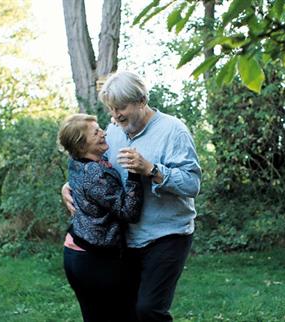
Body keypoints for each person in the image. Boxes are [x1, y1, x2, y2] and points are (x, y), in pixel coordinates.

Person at [62, 71, 202, 321]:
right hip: (127, 240)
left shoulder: (173, 131)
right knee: (125, 311)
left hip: (167, 235)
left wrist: (151, 170)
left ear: (141, 100)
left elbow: (192, 184)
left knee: (148, 310)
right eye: (112, 109)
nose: (115, 116)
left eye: (121, 108)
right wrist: (71, 184)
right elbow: (94, 166)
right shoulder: (115, 131)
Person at [58, 113, 144, 322]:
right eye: (96, 132)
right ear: (81, 145)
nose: (103, 133)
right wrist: (134, 173)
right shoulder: (96, 173)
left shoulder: (77, 162)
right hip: (94, 260)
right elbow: (128, 212)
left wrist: (116, 121)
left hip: (76, 252)